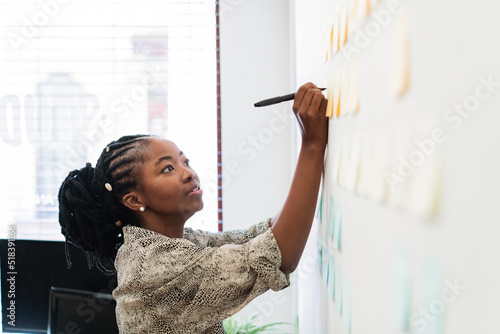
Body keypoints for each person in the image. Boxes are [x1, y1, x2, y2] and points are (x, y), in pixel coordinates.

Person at [58, 82, 328, 333]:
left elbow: (257, 238)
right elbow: (279, 254)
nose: (188, 173)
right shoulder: (154, 265)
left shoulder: (172, 241)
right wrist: (312, 145)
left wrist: (311, 144)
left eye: (185, 161)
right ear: (135, 200)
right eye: (167, 168)